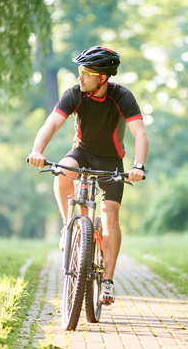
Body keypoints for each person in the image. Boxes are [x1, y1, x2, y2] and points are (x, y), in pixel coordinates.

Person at [28, 46, 149, 305]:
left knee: (109, 214)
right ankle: (68, 227)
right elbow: (51, 124)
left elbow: (140, 133)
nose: (79, 77)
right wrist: (37, 150)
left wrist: (138, 166)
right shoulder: (75, 94)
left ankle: (107, 282)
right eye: (79, 71)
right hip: (81, 153)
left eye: (85, 73)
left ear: (102, 78)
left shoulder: (122, 97)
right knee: (61, 173)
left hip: (111, 161)